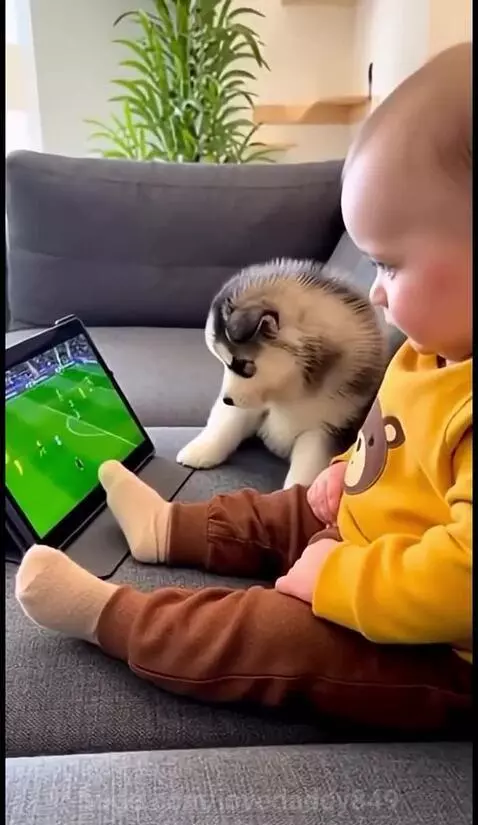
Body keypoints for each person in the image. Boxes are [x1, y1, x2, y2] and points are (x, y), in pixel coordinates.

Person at [15, 43, 472, 733]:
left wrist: (337, 583)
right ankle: (169, 527)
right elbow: (398, 444)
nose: (375, 291)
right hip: (377, 537)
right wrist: (346, 473)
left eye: (390, 264)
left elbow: (461, 582)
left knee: (275, 634)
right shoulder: (437, 353)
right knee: (280, 511)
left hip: (441, 647)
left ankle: (114, 616)